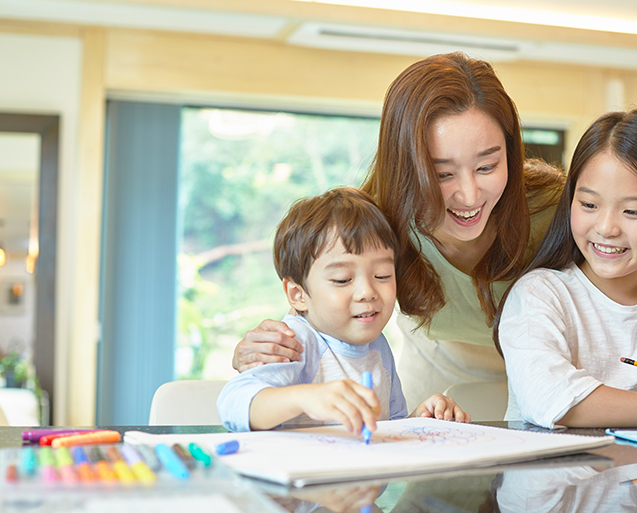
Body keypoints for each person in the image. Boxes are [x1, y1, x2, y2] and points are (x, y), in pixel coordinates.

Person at [231, 52, 565, 407]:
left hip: (548, 374)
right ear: (405, 167)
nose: (468, 195)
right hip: (437, 382)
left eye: (487, 166)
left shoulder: (558, 212)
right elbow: (321, 298)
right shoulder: (379, 219)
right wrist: (262, 354)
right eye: (441, 174)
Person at [495, 109, 637, 429]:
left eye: (632, 211)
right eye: (589, 205)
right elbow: (550, 398)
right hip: (555, 478)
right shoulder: (540, 294)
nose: (607, 228)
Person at [217, 187, 469, 433]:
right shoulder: (297, 342)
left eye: (382, 275)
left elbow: (388, 428)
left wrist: (421, 417)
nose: (367, 291)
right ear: (298, 294)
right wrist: (305, 397)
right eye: (342, 279)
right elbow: (232, 404)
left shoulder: (377, 347)